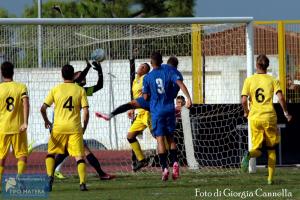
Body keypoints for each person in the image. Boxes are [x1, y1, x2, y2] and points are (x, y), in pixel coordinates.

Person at [52, 60, 115, 180]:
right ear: (74, 77)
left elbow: (99, 86)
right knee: (83, 151)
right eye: (81, 76)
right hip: (68, 124)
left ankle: (49, 173)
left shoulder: (82, 91)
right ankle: (101, 174)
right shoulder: (75, 88)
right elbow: (80, 77)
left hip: (63, 124)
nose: (84, 78)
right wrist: (87, 68)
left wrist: (100, 72)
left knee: (65, 152)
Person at [241, 54, 292, 185]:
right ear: (267, 66)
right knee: (271, 149)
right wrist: (286, 113)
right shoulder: (273, 80)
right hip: (269, 116)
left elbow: (243, 100)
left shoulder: (249, 80)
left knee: (257, 149)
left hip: (255, 117)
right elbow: (281, 98)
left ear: (257, 65)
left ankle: (249, 154)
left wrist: (246, 112)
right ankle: (270, 179)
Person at [143, 52, 192, 181]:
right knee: (171, 138)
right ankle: (175, 162)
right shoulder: (169, 72)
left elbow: (145, 97)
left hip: (157, 111)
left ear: (151, 62)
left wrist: (147, 96)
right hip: (169, 109)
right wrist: (188, 98)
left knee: (160, 139)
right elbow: (180, 84)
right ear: (162, 61)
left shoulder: (147, 77)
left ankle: (164, 168)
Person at [40, 64, 89, 191]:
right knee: (79, 156)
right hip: (75, 128)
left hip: (58, 128)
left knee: (51, 153)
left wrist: (47, 121)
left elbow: (43, 108)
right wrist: (84, 127)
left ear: (62, 75)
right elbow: (86, 112)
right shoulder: (80, 90)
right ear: (73, 75)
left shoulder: (55, 89)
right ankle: (82, 183)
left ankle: (50, 177)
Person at [0, 61, 29, 186]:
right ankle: (19, 177)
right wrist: (25, 122)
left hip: (2, 128)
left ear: (1, 73)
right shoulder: (21, 87)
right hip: (18, 127)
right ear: (13, 72)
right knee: (22, 155)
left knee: (1, 158)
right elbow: (25, 103)